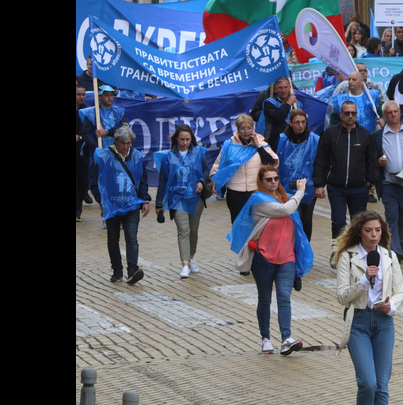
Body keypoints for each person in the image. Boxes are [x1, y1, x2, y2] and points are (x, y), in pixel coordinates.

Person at [227, 165, 313, 355]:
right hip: (264, 259)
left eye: (276, 178)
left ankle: (286, 339)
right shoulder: (259, 200)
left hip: (287, 259)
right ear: (261, 181)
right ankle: (265, 339)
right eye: (268, 179)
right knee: (264, 300)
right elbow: (284, 210)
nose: (273, 182)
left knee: (284, 298)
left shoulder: (283, 197)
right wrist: (300, 192)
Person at [335, 210, 403, 405]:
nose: (374, 235)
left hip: (384, 323)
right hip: (358, 322)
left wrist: (391, 305)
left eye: (377, 230)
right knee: (368, 383)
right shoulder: (347, 257)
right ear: (360, 232)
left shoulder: (389, 256)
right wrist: (364, 281)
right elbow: (342, 296)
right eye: (368, 230)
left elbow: (401, 292)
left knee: (382, 385)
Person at [314, 101, 380, 254]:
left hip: (359, 188)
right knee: (338, 222)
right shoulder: (330, 134)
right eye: (347, 113)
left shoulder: (365, 135)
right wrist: (319, 184)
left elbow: (372, 160)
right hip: (336, 188)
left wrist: (370, 181)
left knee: (359, 224)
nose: (350, 116)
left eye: (353, 113)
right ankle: (338, 252)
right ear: (341, 114)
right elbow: (321, 160)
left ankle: (357, 253)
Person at [95, 125, 151, 284]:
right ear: (116, 141)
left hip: (132, 205)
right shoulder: (105, 156)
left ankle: (132, 269)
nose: (126, 147)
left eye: (129, 143)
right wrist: (101, 200)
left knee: (131, 237)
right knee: (113, 239)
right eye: (123, 143)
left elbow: (142, 180)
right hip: (112, 206)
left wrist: (145, 200)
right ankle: (117, 269)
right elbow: (97, 182)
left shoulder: (137, 156)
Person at [156, 125, 210, 279]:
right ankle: (185, 264)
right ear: (176, 139)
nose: (185, 142)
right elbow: (162, 181)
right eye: (182, 139)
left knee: (193, 231)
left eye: (187, 139)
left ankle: (191, 257)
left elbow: (206, 170)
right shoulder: (168, 157)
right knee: (183, 230)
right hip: (177, 199)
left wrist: (201, 181)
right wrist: (159, 204)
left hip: (195, 198)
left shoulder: (199, 153)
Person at [373, 101, 403, 261]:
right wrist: (378, 161)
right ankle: (394, 251)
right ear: (385, 115)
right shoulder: (377, 136)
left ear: (400, 112)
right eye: (389, 113)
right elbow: (371, 156)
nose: (393, 115)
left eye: (395, 111)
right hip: (388, 184)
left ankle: (399, 246)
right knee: (392, 216)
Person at [211, 114, 279, 226]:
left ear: (253, 128)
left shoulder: (261, 143)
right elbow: (218, 165)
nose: (246, 131)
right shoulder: (230, 145)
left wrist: (258, 146)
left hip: (255, 192)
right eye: (243, 128)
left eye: (249, 128)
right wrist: (215, 180)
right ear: (238, 130)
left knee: (255, 226)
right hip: (235, 193)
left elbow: (271, 163)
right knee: (238, 226)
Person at [80, 85, 129, 205]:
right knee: (98, 182)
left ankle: (115, 209)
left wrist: (106, 132)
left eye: (111, 95)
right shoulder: (92, 113)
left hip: (117, 153)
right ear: (100, 96)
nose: (110, 98)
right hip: (98, 154)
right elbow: (85, 133)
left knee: (117, 181)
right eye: (106, 95)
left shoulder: (119, 112)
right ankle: (103, 206)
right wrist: (96, 148)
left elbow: (124, 129)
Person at [276, 109, 320, 241]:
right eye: (297, 122)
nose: (301, 125)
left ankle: (305, 250)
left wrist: (319, 185)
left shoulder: (314, 140)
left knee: (306, 219)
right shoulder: (282, 140)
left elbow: (319, 163)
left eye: (303, 122)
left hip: (308, 186)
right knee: (293, 219)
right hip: (287, 187)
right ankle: (291, 250)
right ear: (290, 123)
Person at [263, 77, 302, 153]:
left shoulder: (297, 104)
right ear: (276, 89)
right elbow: (277, 117)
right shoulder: (269, 103)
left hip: (294, 143)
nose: (283, 90)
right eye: (280, 88)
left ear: (290, 88)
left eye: (285, 87)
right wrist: (288, 104)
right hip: (275, 144)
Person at [76, 83, 91, 221]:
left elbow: (89, 132)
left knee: (82, 181)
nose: (81, 97)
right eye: (78, 94)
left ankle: (80, 202)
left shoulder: (87, 111)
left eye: (83, 94)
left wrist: (79, 137)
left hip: (82, 152)